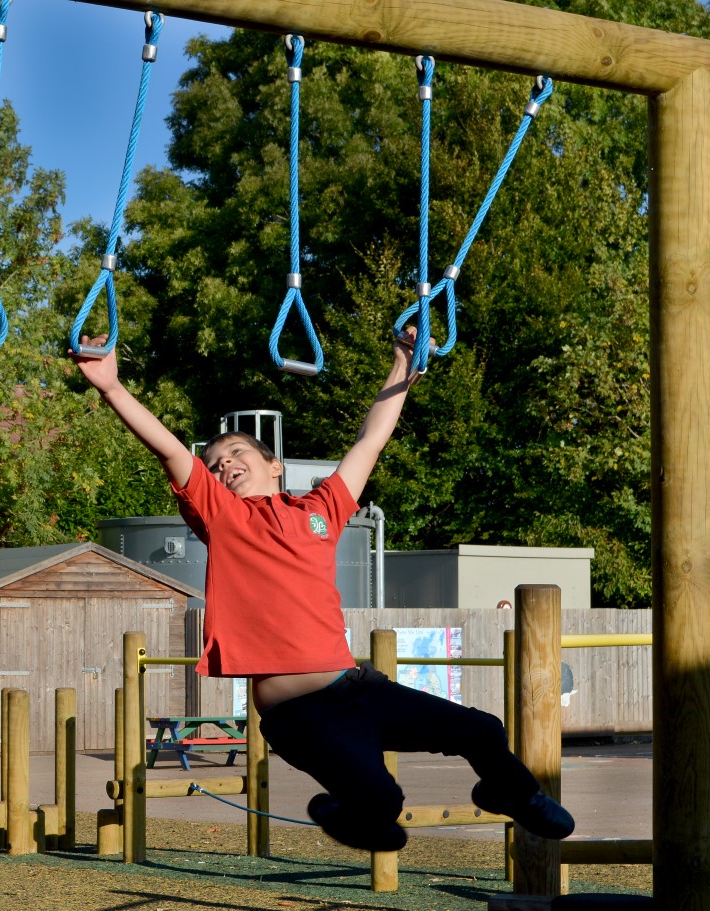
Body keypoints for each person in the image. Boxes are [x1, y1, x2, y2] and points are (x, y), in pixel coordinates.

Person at [74, 329, 574, 852]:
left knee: (482, 729)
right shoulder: (223, 515)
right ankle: (345, 810)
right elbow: (170, 449)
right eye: (216, 464)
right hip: (299, 716)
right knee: (383, 804)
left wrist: (402, 364)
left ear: (275, 466)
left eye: (236, 453)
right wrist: (112, 387)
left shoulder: (321, 509)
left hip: (358, 690)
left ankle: (509, 793)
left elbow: (370, 440)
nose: (224, 466)